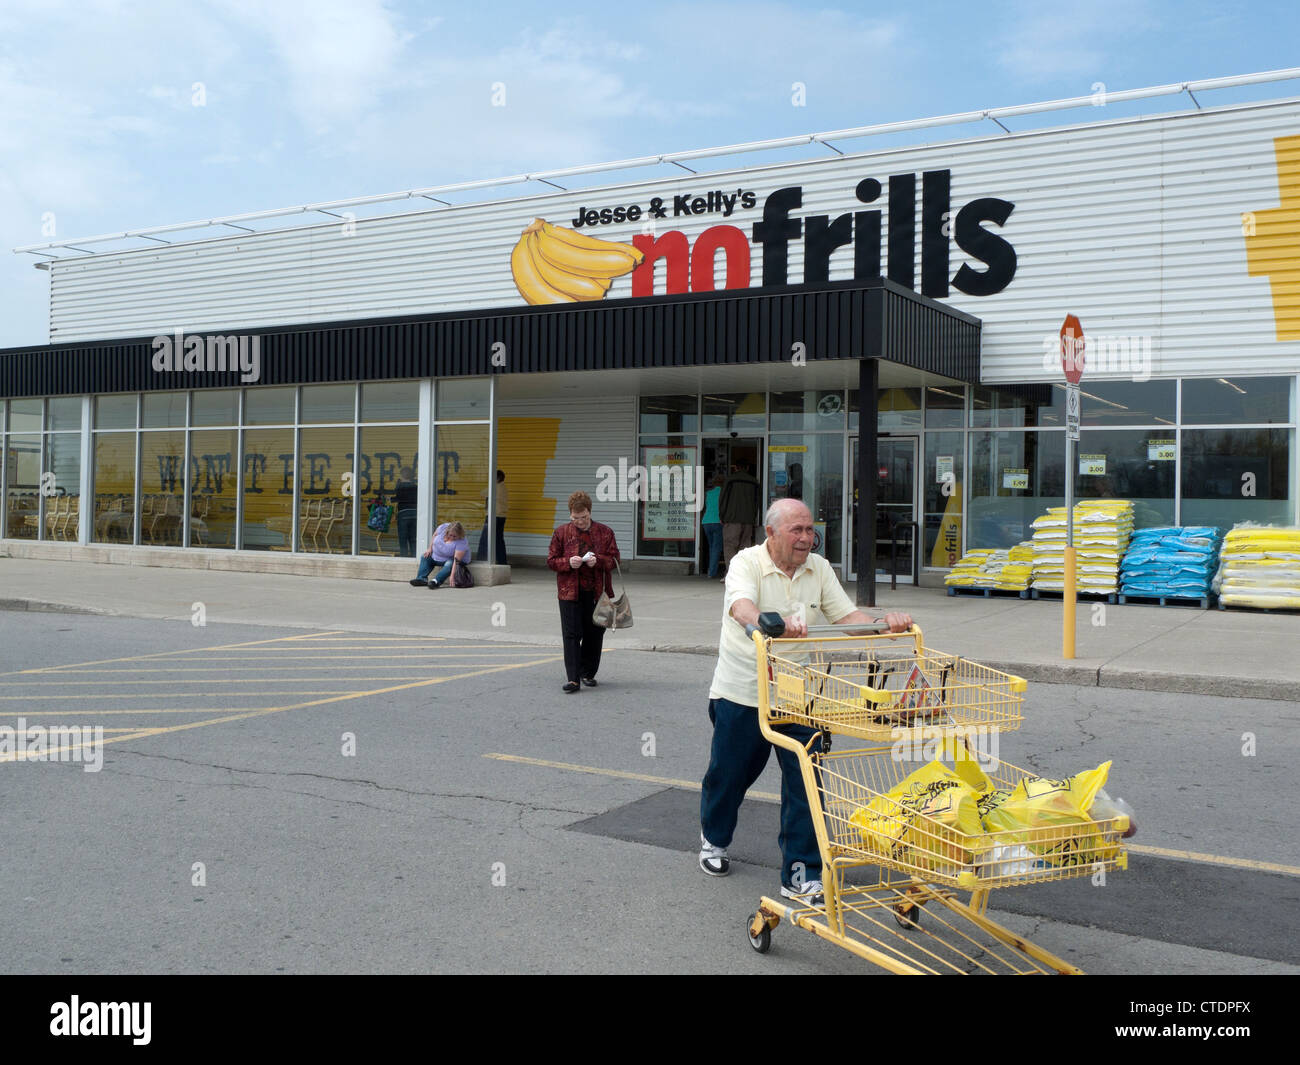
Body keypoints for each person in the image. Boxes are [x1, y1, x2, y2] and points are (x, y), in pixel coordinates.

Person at [698, 498, 912, 901]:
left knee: (806, 785)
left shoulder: (820, 568)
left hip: (801, 698)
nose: (805, 538)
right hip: (742, 693)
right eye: (796, 530)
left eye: (809, 530)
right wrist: (768, 621)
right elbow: (741, 606)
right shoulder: (747, 562)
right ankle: (714, 837)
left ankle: (800, 876)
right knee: (729, 777)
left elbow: (848, 620)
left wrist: (887, 624)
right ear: (771, 533)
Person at [546, 490, 621, 694]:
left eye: (584, 517)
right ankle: (573, 679)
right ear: (570, 514)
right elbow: (551, 561)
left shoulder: (605, 532)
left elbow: (615, 559)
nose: (579, 521)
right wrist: (568, 562)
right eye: (575, 518)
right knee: (571, 634)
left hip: (598, 592)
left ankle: (587, 673)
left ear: (590, 512)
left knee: (595, 633)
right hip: (570, 592)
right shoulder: (561, 533)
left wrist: (599, 560)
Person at [718, 462, 761, 574]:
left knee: (730, 546)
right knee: (744, 548)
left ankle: (731, 573)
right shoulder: (754, 481)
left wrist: (722, 516)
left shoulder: (730, 480)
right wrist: (754, 517)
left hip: (732, 519)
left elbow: (723, 499)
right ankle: (742, 574)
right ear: (747, 467)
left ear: (736, 467)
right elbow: (757, 501)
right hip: (748, 520)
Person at [409, 520, 470, 589]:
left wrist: (452, 576)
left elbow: (456, 560)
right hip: (437, 557)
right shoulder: (443, 528)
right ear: (447, 531)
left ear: (459, 535)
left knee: (450, 563)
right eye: (450, 535)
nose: (452, 537)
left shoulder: (462, 541)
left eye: (455, 536)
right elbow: (434, 535)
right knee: (425, 556)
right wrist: (430, 548)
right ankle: (421, 579)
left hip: (452, 560)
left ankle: (436, 581)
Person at [477, 469, 509, 564]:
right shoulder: (503, 487)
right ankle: (502, 561)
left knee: (485, 538)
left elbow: (482, 493)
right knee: (499, 540)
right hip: (502, 516)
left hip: (493, 516)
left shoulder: (494, 488)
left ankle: (481, 560)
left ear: (498, 478)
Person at [700, 473, 725, 578]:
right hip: (717, 522)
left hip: (706, 522)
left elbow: (706, 507)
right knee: (716, 548)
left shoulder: (708, 493)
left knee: (711, 547)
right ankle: (712, 572)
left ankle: (710, 568)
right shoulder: (724, 493)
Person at [394, 466, 418, 557]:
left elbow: (398, 499)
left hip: (403, 513)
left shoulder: (400, 486)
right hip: (414, 513)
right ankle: (414, 556)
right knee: (413, 538)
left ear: (402, 475)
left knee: (403, 538)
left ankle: (403, 556)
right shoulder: (415, 487)